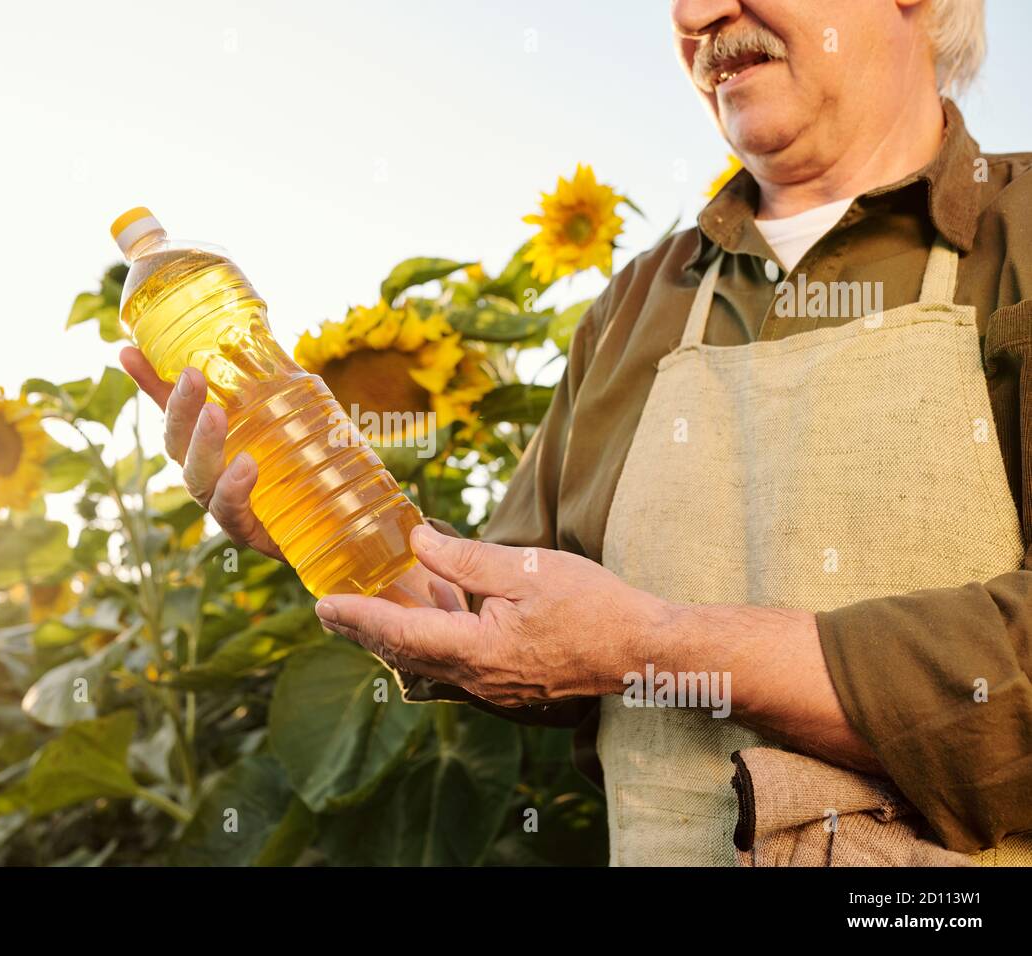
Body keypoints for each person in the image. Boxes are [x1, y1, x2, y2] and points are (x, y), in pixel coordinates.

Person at [123, 0, 1032, 865]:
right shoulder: (638, 302)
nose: (693, 17)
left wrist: (663, 647)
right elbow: (495, 614)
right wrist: (316, 519)